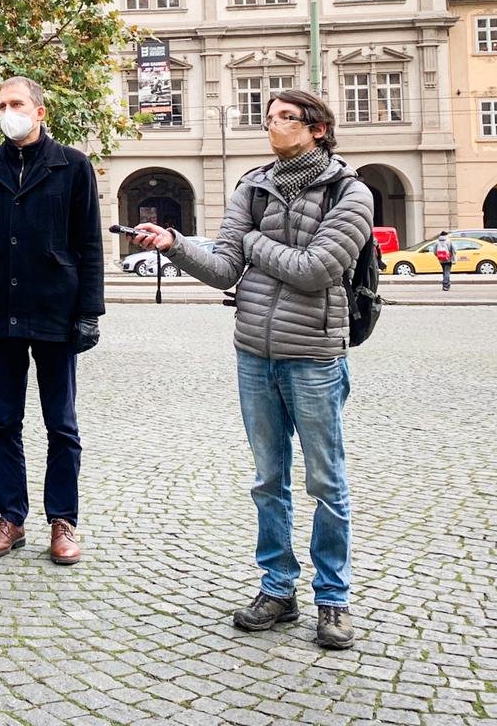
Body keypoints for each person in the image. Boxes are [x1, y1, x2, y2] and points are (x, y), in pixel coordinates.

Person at [133, 89, 374, 651]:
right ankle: (277, 587)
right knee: (269, 480)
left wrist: (252, 241)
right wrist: (174, 244)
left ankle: (333, 598)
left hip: (314, 355)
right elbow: (222, 269)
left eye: (286, 117)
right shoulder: (253, 185)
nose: (273, 124)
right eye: (268, 117)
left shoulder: (351, 192)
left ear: (317, 129)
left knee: (326, 482)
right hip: (254, 355)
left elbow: (317, 269)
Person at [0, 76, 104, 567]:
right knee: (3, 422)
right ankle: (10, 518)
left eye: (16, 103)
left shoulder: (74, 166)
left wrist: (88, 311)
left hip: (55, 311)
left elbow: (89, 245)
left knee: (61, 423)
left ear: (40, 112)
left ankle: (63, 520)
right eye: (1, 104)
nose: (7, 111)